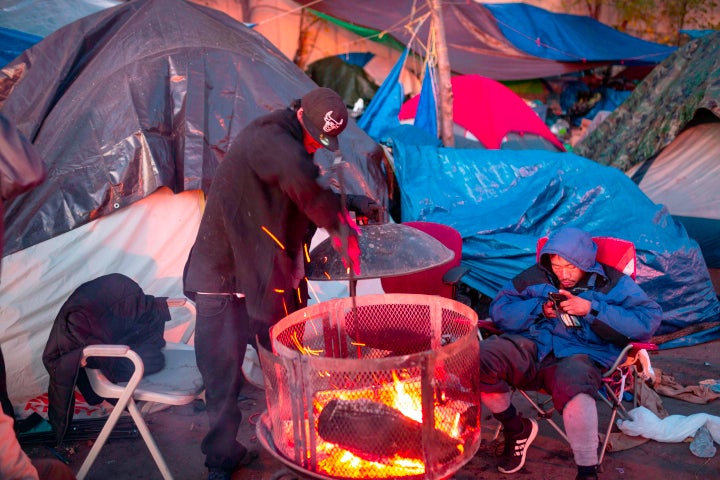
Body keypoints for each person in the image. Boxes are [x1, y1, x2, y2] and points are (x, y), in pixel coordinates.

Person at [183, 87, 379, 480]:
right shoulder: (269, 137)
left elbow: (301, 188)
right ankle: (220, 461)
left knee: (287, 361)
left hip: (262, 276)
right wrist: (343, 231)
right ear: (301, 113)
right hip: (221, 276)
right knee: (222, 377)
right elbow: (302, 183)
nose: (314, 146)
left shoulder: (293, 148)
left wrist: (354, 203)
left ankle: (298, 442)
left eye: (322, 142)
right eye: (312, 137)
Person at [478, 226, 662, 479]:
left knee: (574, 381)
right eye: (557, 266)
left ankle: (587, 471)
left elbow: (647, 320)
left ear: (585, 264)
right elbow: (500, 308)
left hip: (581, 352)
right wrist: (539, 309)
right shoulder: (536, 275)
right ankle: (515, 429)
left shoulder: (612, 283)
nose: (563, 274)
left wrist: (591, 309)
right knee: (479, 358)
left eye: (571, 267)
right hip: (534, 345)